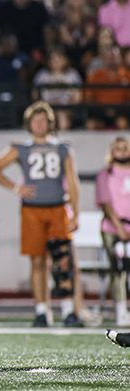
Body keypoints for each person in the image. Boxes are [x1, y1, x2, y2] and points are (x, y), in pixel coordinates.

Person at [0, 101, 83, 327]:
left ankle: (68, 310)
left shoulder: (62, 147)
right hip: (32, 210)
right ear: (28, 123)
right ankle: (42, 310)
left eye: (42, 120)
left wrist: (76, 213)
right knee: (37, 261)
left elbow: (72, 181)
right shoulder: (21, 147)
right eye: (35, 120)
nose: (39, 124)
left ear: (50, 123)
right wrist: (15, 187)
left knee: (63, 260)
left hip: (58, 207)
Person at [96, 136, 130, 326]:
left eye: (125, 148)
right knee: (118, 268)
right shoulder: (106, 174)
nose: (122, 152)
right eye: (118, 148)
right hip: (112, 228)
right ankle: (121, 309)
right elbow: (106, 203)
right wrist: (120, 228)